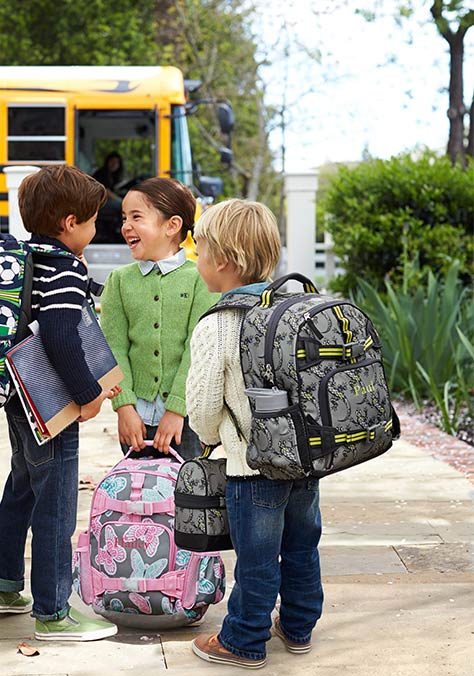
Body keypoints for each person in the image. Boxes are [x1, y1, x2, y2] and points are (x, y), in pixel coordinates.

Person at [0, 165, 121, 642]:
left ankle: (3, 585)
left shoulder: (28, 255)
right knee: (57, 504)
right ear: (69, 222)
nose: (95, 229)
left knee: (23, 485)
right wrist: (88, 395)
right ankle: (53, 611)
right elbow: (61, 337)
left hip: (18, 399)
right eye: (93, 221)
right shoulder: (63, 267)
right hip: (49, 404)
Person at [186, 199, 324, 669]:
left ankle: (243, 640)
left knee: (257, 559)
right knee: (303, 546)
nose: (196, 258)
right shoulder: (296, 307)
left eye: (199, 249)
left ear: (222, 260)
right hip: (305, 462)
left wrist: (211, 440)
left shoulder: (219, 323)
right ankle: (300, 626)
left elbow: (203, 407)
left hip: (252, 466)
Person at [100, 177, 219, 459]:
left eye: (136, 217)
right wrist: (124, 406)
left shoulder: (200, 280)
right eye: (124, 217)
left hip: (186, 418)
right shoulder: (118, 281)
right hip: (135, 420)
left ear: (172, 225)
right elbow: (113, 348)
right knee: (140, 497)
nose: (126, 226)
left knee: (187, 497)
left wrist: (177, 408)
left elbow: (199, 350)